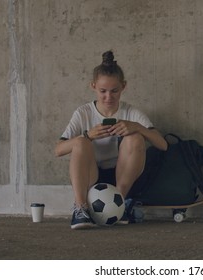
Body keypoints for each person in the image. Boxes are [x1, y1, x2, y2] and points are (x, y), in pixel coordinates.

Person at [54, 50, 168, 229]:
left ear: (124, 86)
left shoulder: (131, 112)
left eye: (114, 91)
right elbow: (58, 149)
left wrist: (136, 127)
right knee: (80, 142)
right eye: (103, 91)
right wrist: (88, 136)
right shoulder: (83, 113)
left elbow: (163, 145)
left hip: (122, 176)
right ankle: (80, 208)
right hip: (92, 177)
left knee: (135, 138)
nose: (109, 97)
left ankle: (119, 205)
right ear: (93, 86)